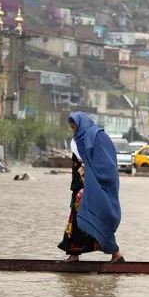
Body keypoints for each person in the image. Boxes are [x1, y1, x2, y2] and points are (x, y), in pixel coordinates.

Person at [59, 112, 124, 263]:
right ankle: (114, 254)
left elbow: (105, 163)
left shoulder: (95, 138)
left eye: (74, 127)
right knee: (84, 220)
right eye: (72, 127)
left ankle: (113, 254)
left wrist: (92, 179)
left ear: (81, 125)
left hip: (90, 189)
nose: (73, 130)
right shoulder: (78, 142)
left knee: (90, 219)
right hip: (79, 187)